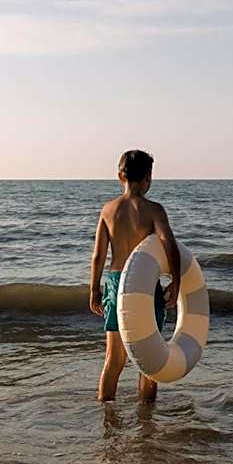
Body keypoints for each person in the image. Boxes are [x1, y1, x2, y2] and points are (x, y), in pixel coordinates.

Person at [89, 150, 181, 402]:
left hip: (116, 282)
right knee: (151, 358)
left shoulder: (108, 210)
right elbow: (168, 243)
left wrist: (94, 289)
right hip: (145, 285)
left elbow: (98, 255)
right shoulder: (154, 210)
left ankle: (106, 414)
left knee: (114, 358)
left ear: (120, 176)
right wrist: (177, 280)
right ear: (148, 178)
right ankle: (146, 419)